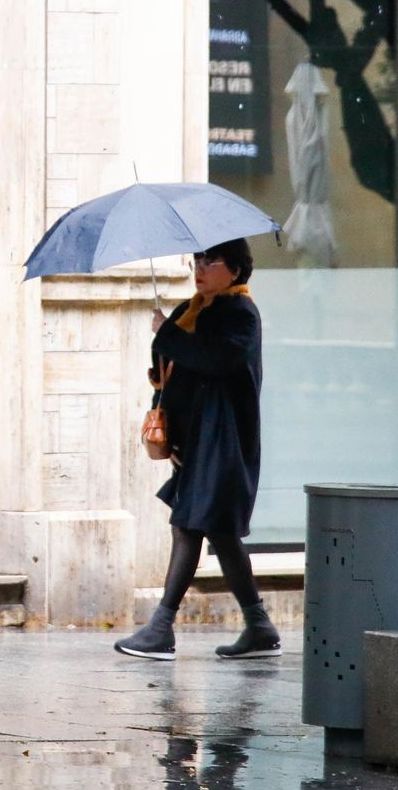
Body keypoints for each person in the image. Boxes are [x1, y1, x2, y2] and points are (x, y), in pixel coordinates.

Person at [114, 236, 279, 661]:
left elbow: (216, 362)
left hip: (225, 441)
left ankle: (161, 627)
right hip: (199, 441)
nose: (200, 268)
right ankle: (259, 628)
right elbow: (175, 371)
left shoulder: (240, 313)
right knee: (220, 534)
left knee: (188, 525)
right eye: (197, 260)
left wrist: (166, 331)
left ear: (236, 269)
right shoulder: (194, 312)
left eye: (211, 261)